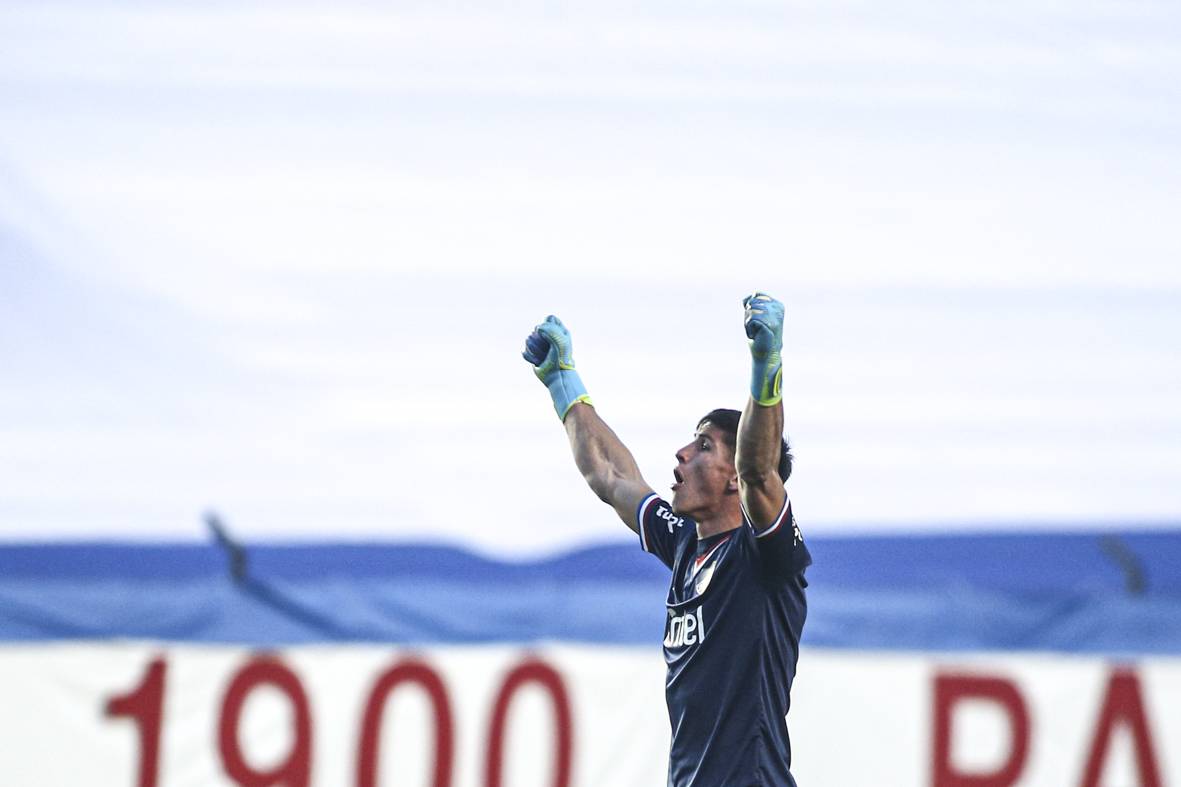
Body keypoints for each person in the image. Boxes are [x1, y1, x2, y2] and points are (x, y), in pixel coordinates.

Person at [522, 291, 811, 786]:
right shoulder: (684, 545)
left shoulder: (764, 556)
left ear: (734, 476)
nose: (679, 454)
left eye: (702, 446)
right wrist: (564, 384)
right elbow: (610, 476)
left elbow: (761, 472)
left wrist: (766, 367)